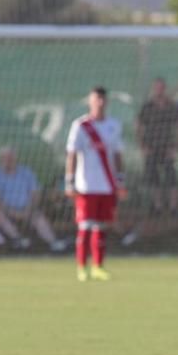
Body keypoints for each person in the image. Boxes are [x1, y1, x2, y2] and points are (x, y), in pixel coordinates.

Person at [65, 86, 127, 282]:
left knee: (101, 227)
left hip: (107, 185)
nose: (99, 103)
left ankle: (98, 266)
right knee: (84, 226)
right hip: (86, 185)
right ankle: (82, 267)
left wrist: (120, 180)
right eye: (96, 99)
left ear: (106, 102)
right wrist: (70, 181)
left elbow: (117, 154)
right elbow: (72, 154)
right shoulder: (81, 126)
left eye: (102, 99)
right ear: (90, 101)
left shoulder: (113, 125)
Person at [0, 146, 66, 252]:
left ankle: (53, 242)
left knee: (38, 217)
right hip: (6, 210)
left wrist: (29, 209)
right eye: (5, 158)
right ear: (1, 159)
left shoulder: (26, 173)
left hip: (27, 209)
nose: (8, 160)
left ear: (15, 158)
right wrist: (11, 211)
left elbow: (35, 194)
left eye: (10, 157)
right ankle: (18, 239)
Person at [137, 77, 178, 214]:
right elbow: (139, 127)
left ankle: (173, 207)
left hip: (167, 147)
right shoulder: (147, 106)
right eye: (157, 87)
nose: (159, 90)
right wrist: (143, 146)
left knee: (171, 176)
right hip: (151, 147)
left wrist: (175, 147)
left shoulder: (170, 105)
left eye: (161, 87)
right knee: (153, 177)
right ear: (153, 89)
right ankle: (158, 206)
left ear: (164, 89)